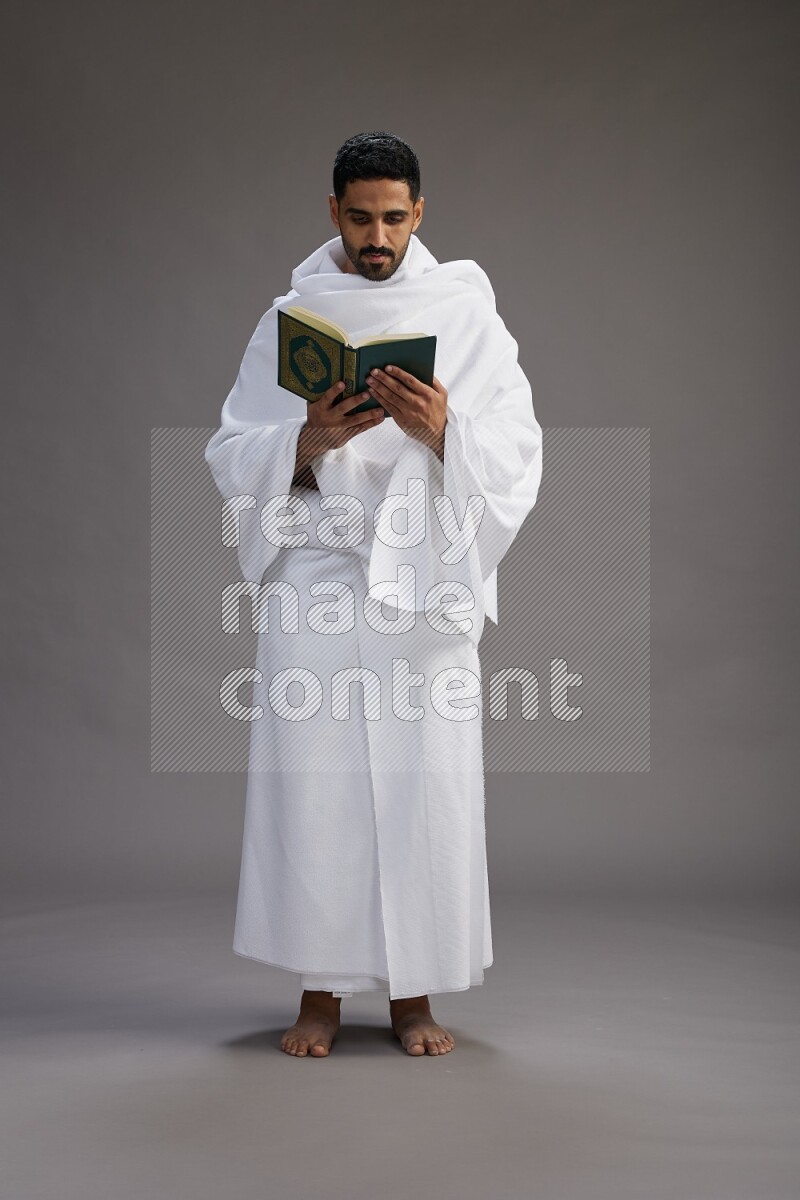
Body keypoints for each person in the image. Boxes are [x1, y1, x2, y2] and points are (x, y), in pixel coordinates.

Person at [205, 131, 543, 1057]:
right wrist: (307, 441)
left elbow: (518, 453)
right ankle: (319, 993)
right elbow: (233, 451)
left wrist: (444, 432)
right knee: (316, 787)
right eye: (360, 218)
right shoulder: (293, 317)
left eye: (395, 217)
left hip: (423, 580)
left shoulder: (466, 314)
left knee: (423, 785)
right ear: (334, 212)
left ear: (420, 212)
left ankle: (412, 996)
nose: (378, 236)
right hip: (317, 578)